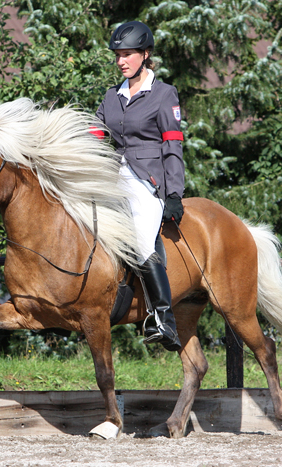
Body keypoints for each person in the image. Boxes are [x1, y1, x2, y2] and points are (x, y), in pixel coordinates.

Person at [94, 21, 185, 352]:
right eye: (118, 55)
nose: (121, 61)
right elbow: (98, 133)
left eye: (128, 54)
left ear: (146, 55)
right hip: (115, 176)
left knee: (143, 241)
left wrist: (174, 193)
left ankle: (164, 320)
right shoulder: (111, 96)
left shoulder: (164, 95)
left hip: (148, 182)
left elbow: (173, 146)